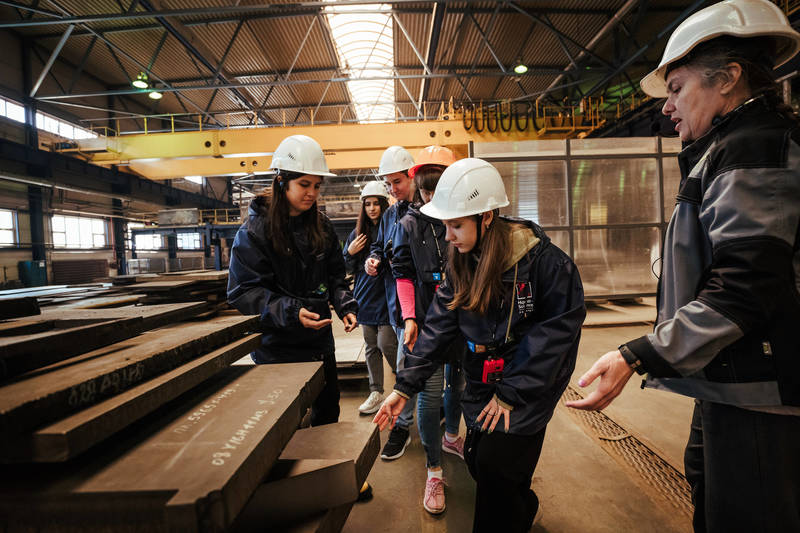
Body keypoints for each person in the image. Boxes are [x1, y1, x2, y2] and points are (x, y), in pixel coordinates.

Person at [566, 1, 800, 532]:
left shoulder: (752, 149)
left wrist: (637, 354)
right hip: (728, 381)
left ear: (729, 79)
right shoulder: (725, 149)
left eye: (676, 88)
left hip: (761, 394)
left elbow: (744, 290)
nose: (666, 107)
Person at [375, 158, 585, 532]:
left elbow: (555, 336)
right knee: (478, 459)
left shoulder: (543, 263)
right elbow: (438, 329)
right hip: (482, 381)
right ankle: (522, 506)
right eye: (445, 225)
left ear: (486, 217)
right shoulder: (462, 262)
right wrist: (404, 387)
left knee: (495, 471)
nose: (448, 235)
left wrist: (511, 393)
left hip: (527, 385)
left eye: (456, 225)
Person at [227, 134, 358, 427]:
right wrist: (291, 311)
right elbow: (244, 292)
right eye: (304, 184)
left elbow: (336, 276)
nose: (312, 193)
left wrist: (346, 305)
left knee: (327, 415)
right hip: (278, 348)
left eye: (316, 186)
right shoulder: (254, 232)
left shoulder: (321, 226)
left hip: (319, 342)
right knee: (283, 425)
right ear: (282, 181)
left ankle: (326, 471)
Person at [391, 145, 463, 513]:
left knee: (459, 384)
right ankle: (434, 470)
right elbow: (402, 274)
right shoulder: (409, 225)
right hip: (426, 323)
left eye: (438, 187)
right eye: (425, 189)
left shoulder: (467, 220)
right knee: (429, 393)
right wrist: (410, 318)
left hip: (463, 321)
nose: (431, 196)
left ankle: (452, 437)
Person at [365, 145, 419, 460]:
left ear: (412, 175)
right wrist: (373, 259)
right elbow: (377, 245)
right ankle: (403, 426)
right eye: (388, 184)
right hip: (398, 307)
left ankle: (421, 422)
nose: (392, 189)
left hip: (423, 307)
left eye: (396, 182)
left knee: (414, 367)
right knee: (404, 366)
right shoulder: (390, 214)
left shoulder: (427, 211)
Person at [343, 180, 398, 414]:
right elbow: (345, 267)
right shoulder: (358, 234)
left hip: (386, 296)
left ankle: (406, 384)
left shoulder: (392, 229)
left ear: (384, 204)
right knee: (370, 346)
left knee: (386, 343)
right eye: (368, 204)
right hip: (365, 296)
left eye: (376, 203)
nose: (372, 208)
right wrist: (350, 252)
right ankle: (376, 391)